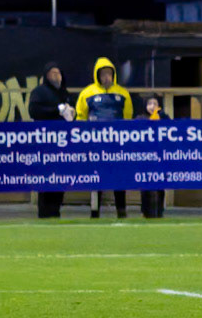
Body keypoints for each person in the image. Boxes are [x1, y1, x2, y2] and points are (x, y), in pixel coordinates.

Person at [76, 56, 132, 219]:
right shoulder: (87, 93)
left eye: (109, 73)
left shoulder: (122, 93)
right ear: (97, 75)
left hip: (117, 143)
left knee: (119, 178)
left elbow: (128, 116)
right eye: (103, 74)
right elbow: (81, 116)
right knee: (96, 179)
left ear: (113, 74)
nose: (106, 77)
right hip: (96, 144)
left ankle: (121, 211)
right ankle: (95, 212)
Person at [26, 61, 74, 219]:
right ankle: (44, 213)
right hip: (45, 144)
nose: (56, 76)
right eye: (53, 73)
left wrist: (71, 114)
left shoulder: (63, 93)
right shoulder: (39, 92)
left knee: (60, 179)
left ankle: (56, 211)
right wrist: (56, 111)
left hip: (62, 145)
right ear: (46, 75)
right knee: (45, 180)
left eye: (58, 73)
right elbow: (34, 111)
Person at [139, 95, 168, 219]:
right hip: (144, 157)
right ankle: (145, 211)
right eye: (149, 103)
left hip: (160, 156)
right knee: (145, 185)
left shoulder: (164, 117)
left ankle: (159, 210)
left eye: (155, 103)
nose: (152, 106)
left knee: (160, 185)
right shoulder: (140, 118)